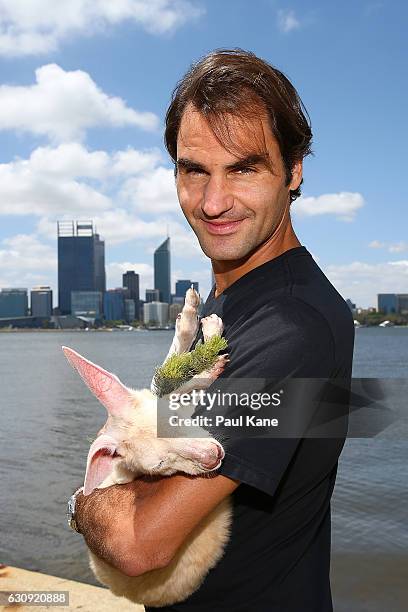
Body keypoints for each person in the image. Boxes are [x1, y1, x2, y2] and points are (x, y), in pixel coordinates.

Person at [71, 49, 354, 611]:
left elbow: (137, 546)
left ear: (294, 169)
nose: (214, 202)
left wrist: (82, 502)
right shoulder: (231, 304)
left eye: (244, 168)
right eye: (194, 170)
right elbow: (168, 423)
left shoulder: (289, 327)